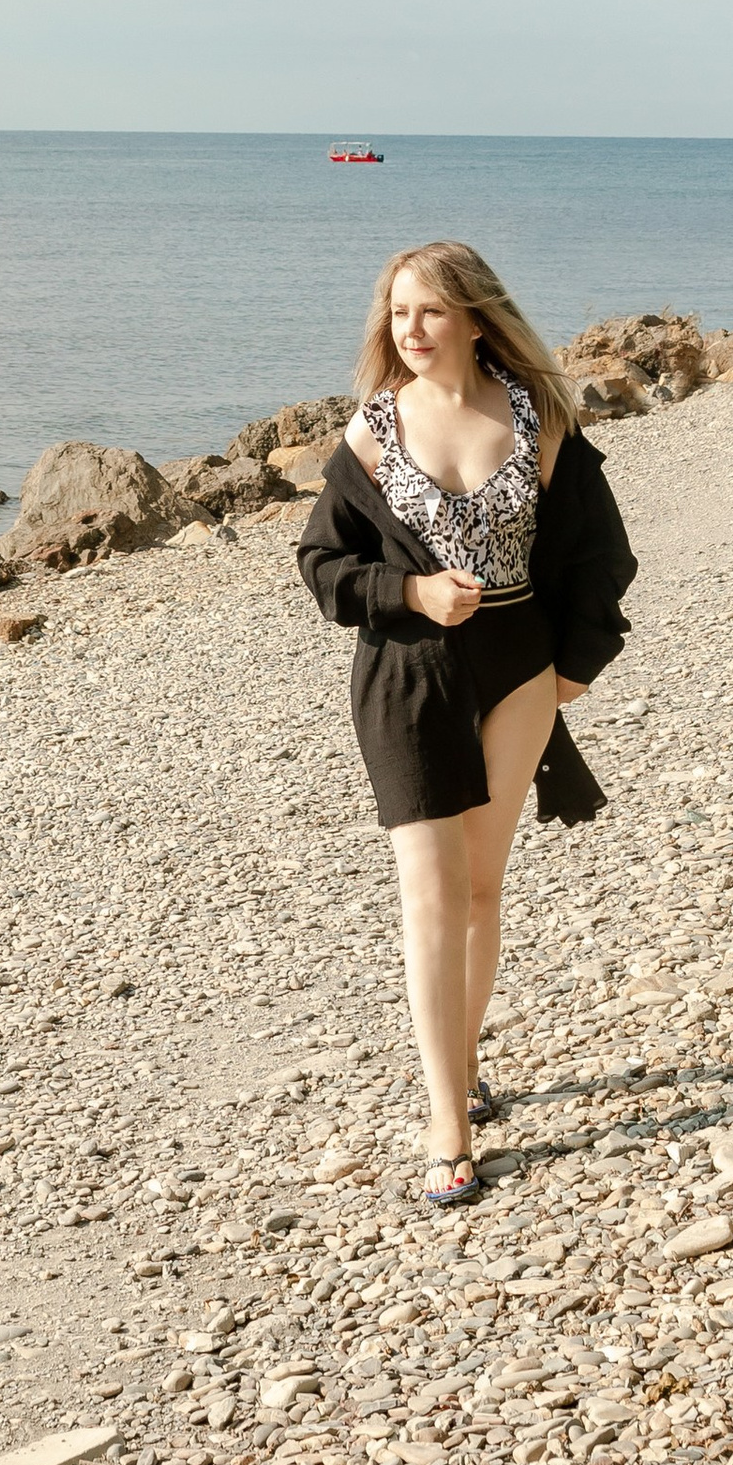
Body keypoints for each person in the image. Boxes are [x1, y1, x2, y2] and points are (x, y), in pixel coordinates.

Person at [297, 240, 635, 1208]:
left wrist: (576, 664)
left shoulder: (541, 421)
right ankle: (445, 1119)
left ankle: (464, 1058)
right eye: (398, 313)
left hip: (517, 671)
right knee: (430, 896)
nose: (410, 330)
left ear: (477, 318)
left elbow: (598, 555)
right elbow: (322, 566)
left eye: (430, 312)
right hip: (404, 679)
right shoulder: (369, 432)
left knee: (483, 889)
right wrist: (406, 589)